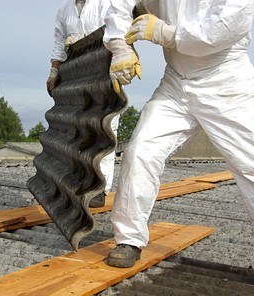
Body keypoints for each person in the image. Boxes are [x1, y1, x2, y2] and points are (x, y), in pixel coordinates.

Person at [103, 0, 254, 268]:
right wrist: (120, 47)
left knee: (250, 165)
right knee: (140, 151)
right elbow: (120, 3)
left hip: (226, 82)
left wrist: (165, 33)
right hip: (176, 82)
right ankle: (129, 239)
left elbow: (220, 31)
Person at [46, 0, 120, 208]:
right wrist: (54, 71)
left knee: (105, 128)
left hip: (105, 69)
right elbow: (59, 43)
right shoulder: (65, 10)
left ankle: (100, 188)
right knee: (78, 128)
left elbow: (120, 31)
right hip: (77, 72)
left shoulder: (106, 3)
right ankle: (78, 182)